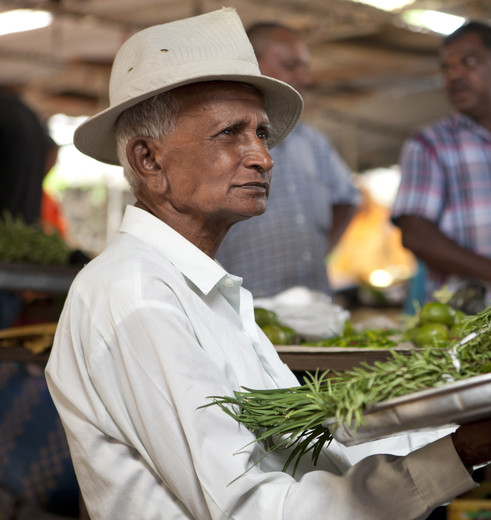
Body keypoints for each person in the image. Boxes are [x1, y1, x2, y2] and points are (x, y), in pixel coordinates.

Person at [45, 8, 491, 520]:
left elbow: (316, 451)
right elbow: (252, 509)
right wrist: (460, 451)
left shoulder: (210, 296)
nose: (263, 155)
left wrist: (462, 438)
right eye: (231, 133)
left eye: (260, 132)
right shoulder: (136, 296)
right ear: (150, 162)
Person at [216, 22, 360, 298]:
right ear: (251, 65)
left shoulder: (313, 142)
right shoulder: (221, 142)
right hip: (246, 310)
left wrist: (321, 248)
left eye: (304, 67)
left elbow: (348, 197)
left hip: (316, 305)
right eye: (291, 66)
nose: (303, 78)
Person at [392, 20, 491, 305]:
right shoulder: (430, 144)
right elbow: (416, 234)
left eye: (468, 62)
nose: (455, 75)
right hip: (459, 324)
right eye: (447, 68)